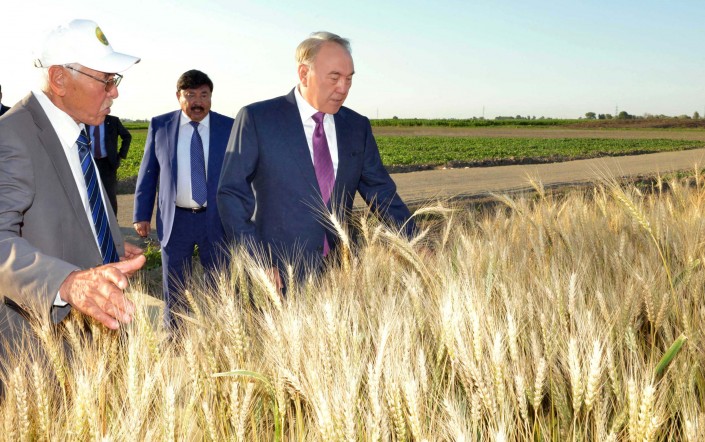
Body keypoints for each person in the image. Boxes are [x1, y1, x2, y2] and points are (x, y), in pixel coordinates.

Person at [217, 31, 416, 288]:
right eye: (334, 77)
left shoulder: (357, 127)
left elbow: (381, 192)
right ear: (303, 73)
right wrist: (256, 260)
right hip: (277, 272)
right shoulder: (258, 119)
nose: (343, 88)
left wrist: (413, 241)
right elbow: (231, 194)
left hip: (340, 272)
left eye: (349, 79)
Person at [0, 19, 145, 364]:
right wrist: (68, 282)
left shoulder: (72, 129)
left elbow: (66, 208)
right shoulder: (11, 136)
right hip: (43, 351)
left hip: (93, 340)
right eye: (106, 80)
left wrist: (104, 244)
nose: (114, 92)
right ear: (59, 79)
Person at [133, 69, 234, 330]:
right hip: (176, 219)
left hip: (216, 219)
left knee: (221, 285)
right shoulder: (161, 125)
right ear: (178, 96)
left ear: (211, 97)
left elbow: (241, 175)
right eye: (190, 95)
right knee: (175, 284)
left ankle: (221, 336)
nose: (198, 101)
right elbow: (148, 172)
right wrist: (141, 214)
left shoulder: (229, 127)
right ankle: (175, 339)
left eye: (204, 95)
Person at [88, 114, 132, 215]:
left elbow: (127, 136)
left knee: (110, 195)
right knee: (90, 193)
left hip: (108, 163)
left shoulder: (113, 121)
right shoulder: (85, 120)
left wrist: (121, 155)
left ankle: (113, 221)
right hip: (90, 162)